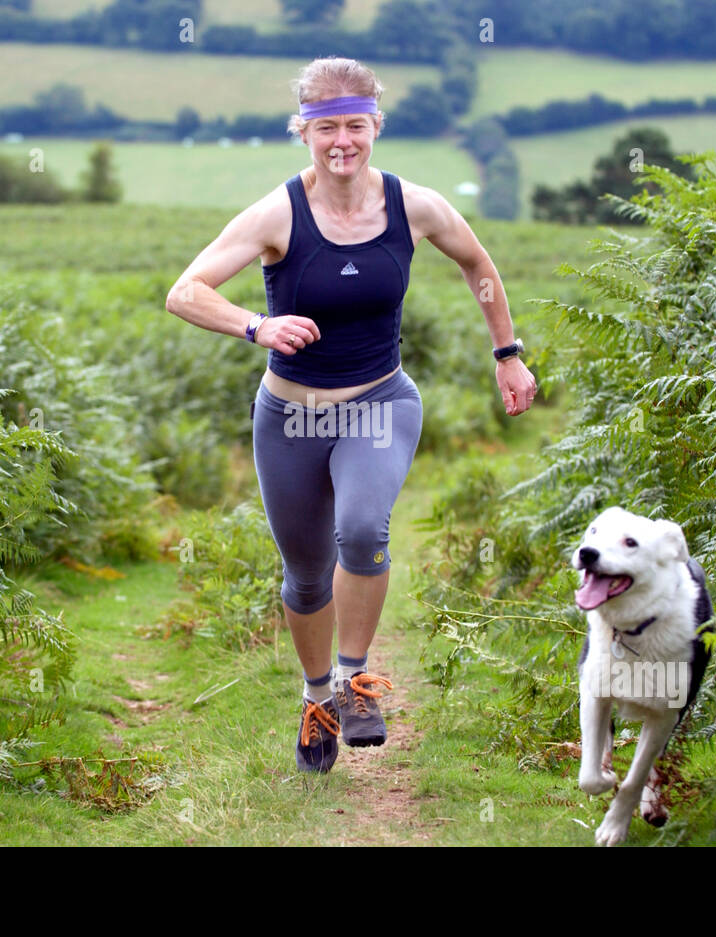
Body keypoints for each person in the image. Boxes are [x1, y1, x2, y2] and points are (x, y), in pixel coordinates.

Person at [166, 56, 537, 773]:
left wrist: (507, 352)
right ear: (302, 130)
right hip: (289, 418)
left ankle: (357, 679)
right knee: (306, 574)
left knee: (363, 529)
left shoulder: (414, 205)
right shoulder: (277, 214)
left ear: (376, 127)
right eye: (326, 125)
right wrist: (256, 326)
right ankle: (317, 700)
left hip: (378, 402)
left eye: (356, 125)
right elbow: (186, 291)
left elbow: (479, 264)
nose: (343, 140)